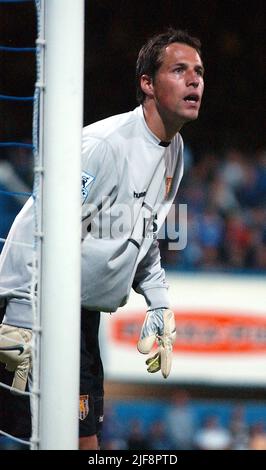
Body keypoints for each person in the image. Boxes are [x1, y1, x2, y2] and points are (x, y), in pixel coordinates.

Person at [0, 28, 204, 449]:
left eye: (198, 71)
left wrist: (160, 301)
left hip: (81, 316)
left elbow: (143, 232)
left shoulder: (174, 150)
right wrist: (19, 315)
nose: (194, 80)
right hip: (35, 313)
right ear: (147, 83)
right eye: (179, 69)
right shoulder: (103, 146)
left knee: (84, 440)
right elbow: (40, 223)